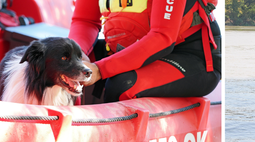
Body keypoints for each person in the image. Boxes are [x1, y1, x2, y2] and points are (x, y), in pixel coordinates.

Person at [68, 0, 221, 103]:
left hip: (189, 57)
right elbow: (85, 20)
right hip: (125, 49)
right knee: (62, 66)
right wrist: (78, 54)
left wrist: (100, 70)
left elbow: (162, 38)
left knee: (122, 85)